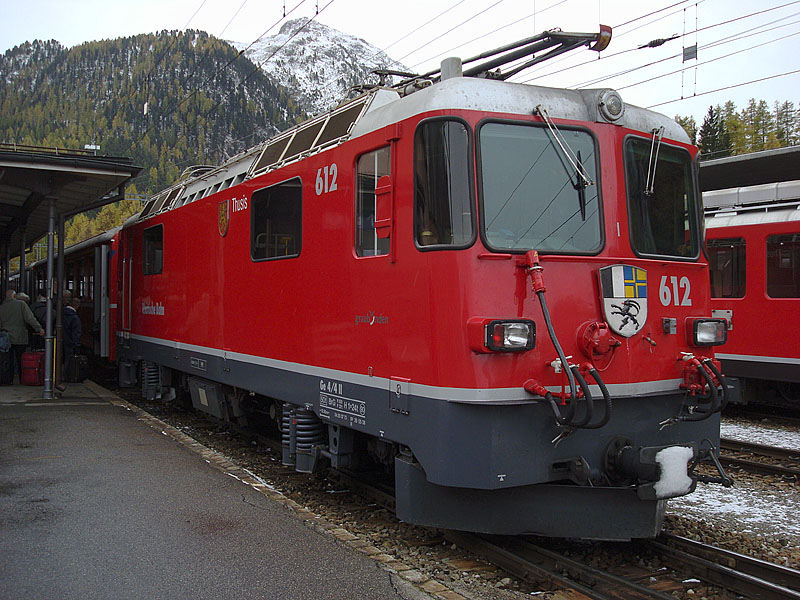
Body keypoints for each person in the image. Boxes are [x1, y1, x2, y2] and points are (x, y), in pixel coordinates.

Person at [0, 289, 45, 383]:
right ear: (14, 296)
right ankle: (22, 378)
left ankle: (8, 379)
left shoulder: (2, 307)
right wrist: (39, 328)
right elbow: (30, 318)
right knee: (21, 358)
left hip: (6, 338)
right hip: (20, 336)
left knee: (8, 359)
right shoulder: (21, 304)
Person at [62, 292, 82, 364]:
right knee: (69, 361)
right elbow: (76, 333)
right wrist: (77, 346)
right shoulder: (75, 318)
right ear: (77, 306)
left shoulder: (61, 313)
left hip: (61, 341)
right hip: (70, 343)